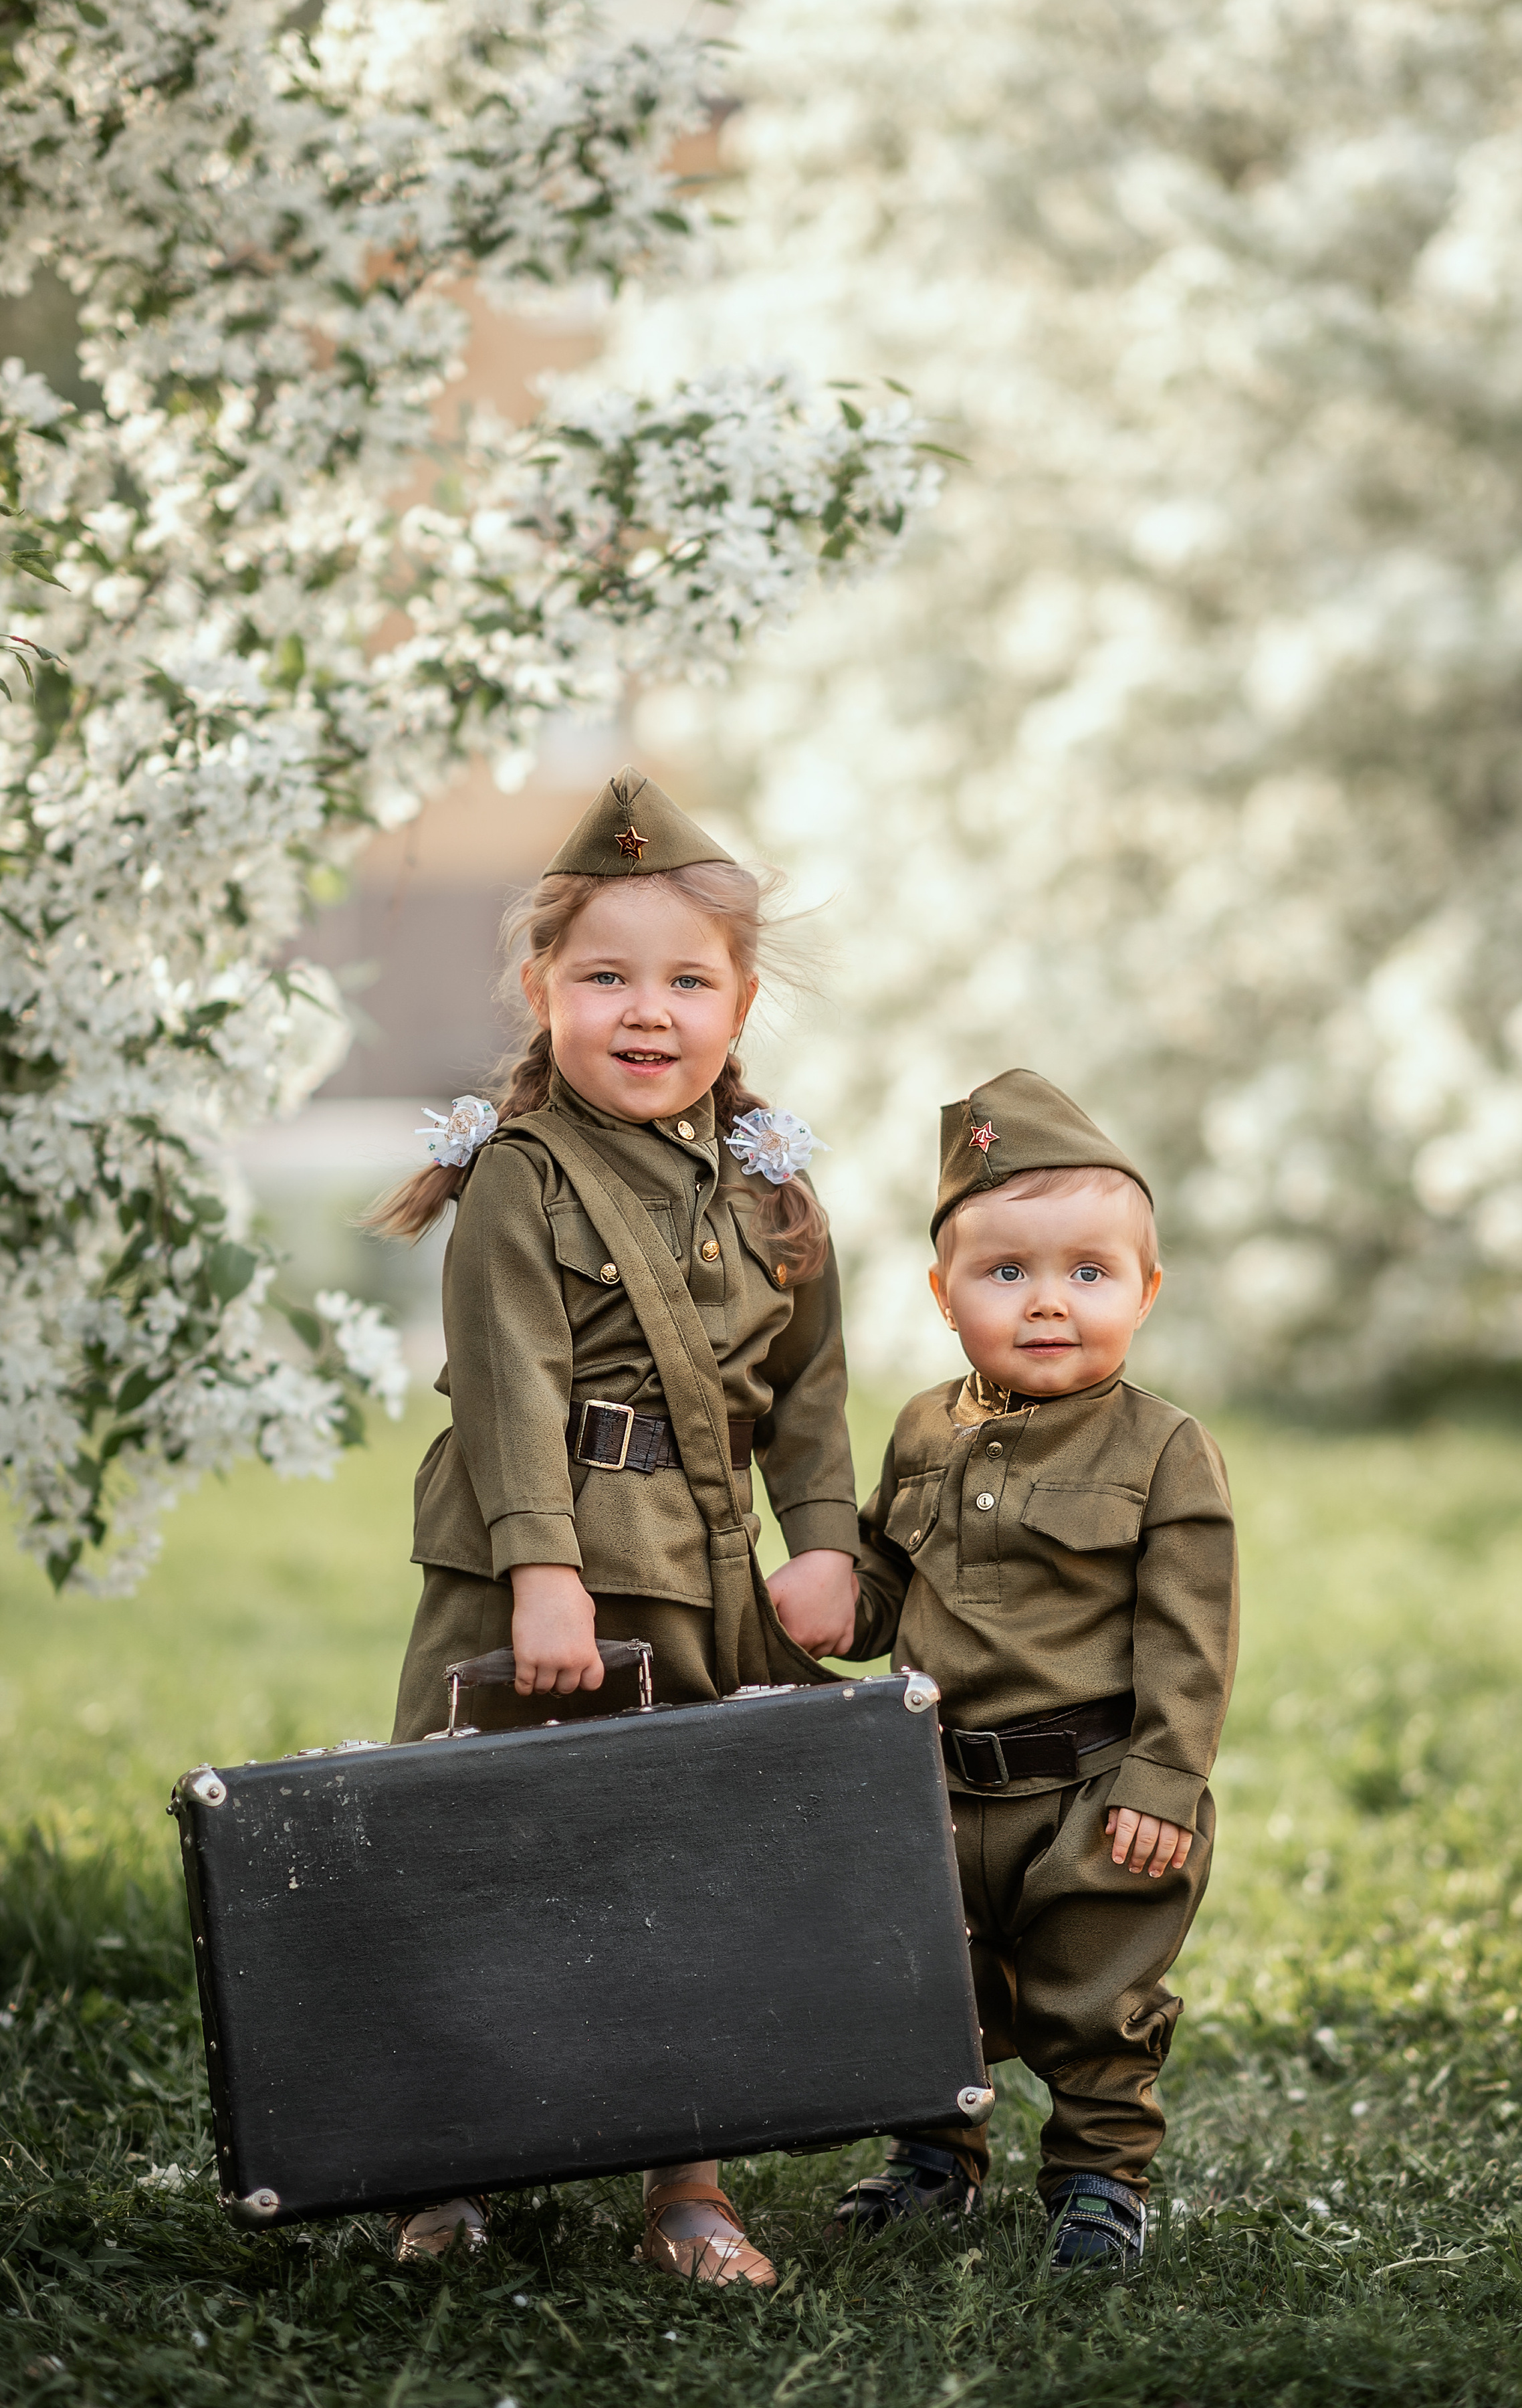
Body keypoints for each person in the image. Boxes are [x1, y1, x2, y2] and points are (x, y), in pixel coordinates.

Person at [367, 767, 861, 2287]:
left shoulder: (772, 1189)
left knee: (687, 1857)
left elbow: (810, 1385)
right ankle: (447, 2167)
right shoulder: (519, 1178)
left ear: (741, 1002)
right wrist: (543, 1575)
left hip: (697, 1574)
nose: (646, 1012)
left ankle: (687, 2185)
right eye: (604, 978)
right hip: (527, 1575)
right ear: (542, 990)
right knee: (482, 1850)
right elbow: (508, 1384)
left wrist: (821, 1540)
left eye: (686, 982)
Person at [835, 1070, 1238, 2268]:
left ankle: (1101, 2176)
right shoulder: (923, 1428)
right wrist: (823, 1594)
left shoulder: (1163, 1448)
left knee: (1093, 1994)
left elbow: (1192, 1631)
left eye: (1091, 1272)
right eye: (1007, 1271)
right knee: (928, 1979)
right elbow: (883, 1585)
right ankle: (934, 2153)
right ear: (943, 1293)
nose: (1050, 1300)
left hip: (1096, 1791)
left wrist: (1165, 1778)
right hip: (933, 1784)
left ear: (1146, 1290)